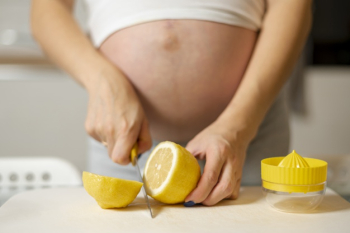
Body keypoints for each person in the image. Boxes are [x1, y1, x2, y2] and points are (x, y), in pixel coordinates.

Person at [31, 0, 312, 206]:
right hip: (125, 145)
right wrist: (100, 79)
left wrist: (238, 126)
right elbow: (46, 9)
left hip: (248, 134)